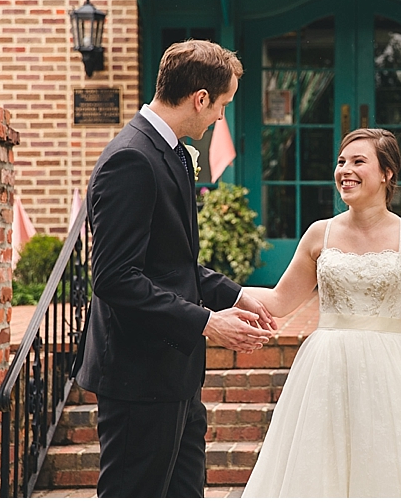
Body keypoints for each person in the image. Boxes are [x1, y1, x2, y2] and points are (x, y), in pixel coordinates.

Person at [74, 39, 277, 498]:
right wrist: (208, 322)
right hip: (138, 378)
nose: (220, 118)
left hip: (175, 376)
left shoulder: (171, 152)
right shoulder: (132, 158)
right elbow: (115, 279)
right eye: (221, 106)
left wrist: (236, 295)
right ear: (199, 97)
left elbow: (171, 262)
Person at [240, 128, 401, 498]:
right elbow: (279, 300)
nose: (345, 169)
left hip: (391, 371)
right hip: (325, 369)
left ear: (387, 173)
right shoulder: (319, 235)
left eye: (359, 161)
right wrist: (208, 291)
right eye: (341, 162)